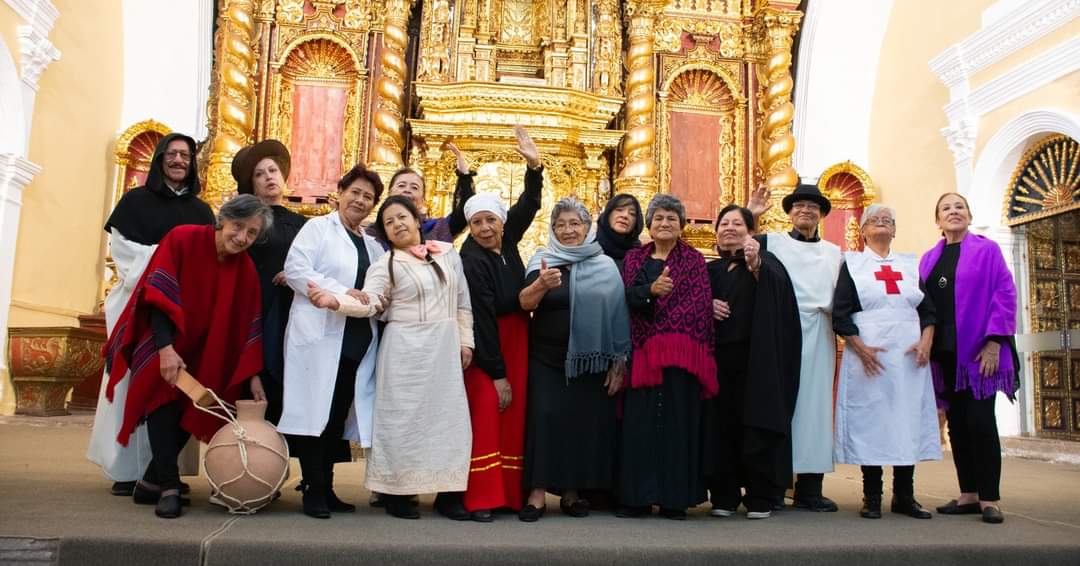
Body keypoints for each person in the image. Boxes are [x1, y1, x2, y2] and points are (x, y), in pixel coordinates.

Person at [102, 195, 271, 518]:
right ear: (223, 220)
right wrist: (166, 349)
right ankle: (168, 486)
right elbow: (156, 295)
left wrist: (252, 373)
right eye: (239, 227)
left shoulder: (246, 268)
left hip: (206, 350)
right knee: (162, 399)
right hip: (161, 337)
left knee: (199, 401)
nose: (242, 238)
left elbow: (248, 324)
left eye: (252, 233)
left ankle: (151, 482)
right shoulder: (182, 238)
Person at [307, 195, 474, 520]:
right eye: (389, 222)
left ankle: (449, 494)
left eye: (402, 217)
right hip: (404, 351)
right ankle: (398, 492)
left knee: (447, 422)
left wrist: (465, 342)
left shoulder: (449, 254)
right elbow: (371, 301)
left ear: (417, 218)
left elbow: (462, 303)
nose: (398, 224)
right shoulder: (386, 264)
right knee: (402, 422)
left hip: (443, 348)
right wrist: (336, 302)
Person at [88, 132, 215, 498]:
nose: (179, 161)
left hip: (179, 312)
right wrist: (167, 259)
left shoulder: (201, 211)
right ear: (160, 159)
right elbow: (124, 252)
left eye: (186, 156)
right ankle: (125, 469)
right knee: (133, 382)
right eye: (172, 154)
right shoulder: (135, 202)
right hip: (136, 303)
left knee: (173, 386)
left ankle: (161, 470)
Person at [276, 164, 386, 519]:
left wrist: (365, 300)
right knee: (315, 414)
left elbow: (380, 291)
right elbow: (296, 270)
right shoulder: (317, 230)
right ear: (341, 192)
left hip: (355, 340)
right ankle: (313, 488)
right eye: (355, 192)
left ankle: (328, 485)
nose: (360, 200)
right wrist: (343, 293)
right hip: (319, 336)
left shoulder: (372, 246)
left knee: (337, 415)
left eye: (368, 197)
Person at [518, 197, 630, 522]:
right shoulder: (543, 259)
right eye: (560, 225)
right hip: (545, 358)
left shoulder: (605, 265)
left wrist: (619, 362)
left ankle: (571, 492)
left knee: (578, 424)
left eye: (574, 224)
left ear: (586, 228)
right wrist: (540, 284)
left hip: (589, 362)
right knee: (543, 420)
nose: (568, 230)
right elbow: (524, 303)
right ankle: (536, 494)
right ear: (552, 229)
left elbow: (617, 316)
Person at [833, 204, 941, 520]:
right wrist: (861, 348)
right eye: (874, 220)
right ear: (863, 231)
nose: (881, 224)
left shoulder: (909, 265)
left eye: (887, 221)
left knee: (905, 419)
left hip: (909, 356)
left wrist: (926, 340)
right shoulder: (852, 265)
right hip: (869, 356)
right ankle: (872, 496)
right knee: (873, 421)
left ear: (894, 230)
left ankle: (904, 496)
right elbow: (840, 313)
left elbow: (929, 310)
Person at [458, 127, 544, 522]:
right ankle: (481, 498)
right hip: (488, 346)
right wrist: (496, 374)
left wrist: (534, 166)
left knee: (514, 418)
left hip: (517, 339)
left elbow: (527, 206)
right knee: (489, 413)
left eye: (490, 219)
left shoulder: (507, 243)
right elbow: (482, 316)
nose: (484, 228)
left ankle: (510, 495)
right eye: (476, 223)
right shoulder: (473, 259)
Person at [920, 193, 1018, 525]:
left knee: (980, 422)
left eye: (959, 207)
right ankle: (969, 494)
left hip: (979, 352)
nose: (953, 212)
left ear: (969, 215)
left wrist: (994, 342)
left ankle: (990, 498)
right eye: (946, 208)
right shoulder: (929, 258)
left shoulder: (986, 249)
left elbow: (1005, 293)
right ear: (938, 220)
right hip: (945, 355)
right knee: (958, 426)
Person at [618, 194, 715, 520]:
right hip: (642, 353)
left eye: (671, 218)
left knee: (678, 426)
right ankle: (638, 498)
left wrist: (668, 331)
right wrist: (650, 292)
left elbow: (699, 305)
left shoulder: (694, 261)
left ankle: (675, 499)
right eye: (658, 218)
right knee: (640, 427)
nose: (664, 223)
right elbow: (626, 297)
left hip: (681, 358)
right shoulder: (634, 259)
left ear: (681, 225)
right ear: (649, 224)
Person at [703, 205, 801, 520]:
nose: (729, 228)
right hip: (717, 361)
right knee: (722, 427)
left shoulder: (766, 262)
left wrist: (755, 262)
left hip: (757, 361)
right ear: (715, 233)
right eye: (724, 223)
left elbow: (772, 285)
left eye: (737, 223)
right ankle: (724, 493)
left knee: (756, 424)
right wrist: (707, 305)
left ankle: (760, 494)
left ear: (750, 232)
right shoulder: (710, 270)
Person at [754, 183, 843, 512]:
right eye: (799, 205)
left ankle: (810, 488)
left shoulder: (835, 253)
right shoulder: (772, 244)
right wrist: (752, 214)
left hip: (820, 331)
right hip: (781, 330)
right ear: (789, 212)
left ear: (821, 214)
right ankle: (774, 486)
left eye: (813, 206)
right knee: (781, 406)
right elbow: (736, 246)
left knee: (816, 409)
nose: (805, 210)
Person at [231, 139, 307, 424]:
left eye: (272, 170)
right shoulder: (247, 222)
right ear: (252, 184)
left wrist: (297, 276)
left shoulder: (302, 223)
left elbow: (315, 266)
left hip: (293, 310)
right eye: (260, 174)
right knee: (257, 380)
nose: (268, 177)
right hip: (257, 307)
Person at [383, 143, 475, 244]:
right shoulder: (375, 231)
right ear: (390, 192)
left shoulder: (436, 229)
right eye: (401, 185)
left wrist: (464, 175)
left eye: (414, 187)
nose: (407, 190)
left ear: (422, 199)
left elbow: (463, 213)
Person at [596, 193, 643, 270]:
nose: (625, 216)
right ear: (608, 214)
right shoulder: (590, 248)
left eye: (632, 214)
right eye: (619, 210)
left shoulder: (640, 255)